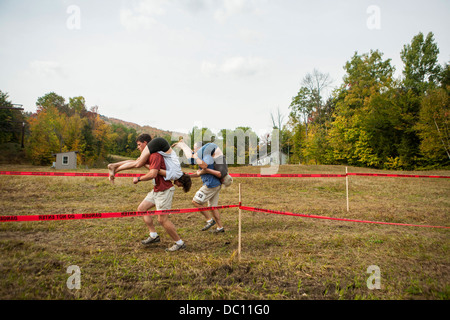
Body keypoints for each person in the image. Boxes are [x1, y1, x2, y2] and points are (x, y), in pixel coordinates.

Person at [133, 150, 186, 252]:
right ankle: (154, 236)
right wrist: (144, 163)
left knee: (162, 220)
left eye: (139, 145)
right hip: (156, 190)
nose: (138, 147)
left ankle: (180, 243)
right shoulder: (152, 155)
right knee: (141, 209)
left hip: (164, 191)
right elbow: (153, 168)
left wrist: (139, 178)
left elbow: (155, 171)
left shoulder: (157, 155)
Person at [173, 140, 230, 233]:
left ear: (200, 148)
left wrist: (194, 155)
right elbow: (199, 173)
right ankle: (220, 228)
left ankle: (209, 220)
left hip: (210, 185)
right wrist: (189, 175)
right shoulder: (205, 157)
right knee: (212, 207)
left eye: (195, 149)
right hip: (216, 185)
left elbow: (204, 166)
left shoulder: (205, 156)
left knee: (195, 202)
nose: (194, 151)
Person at [108, 134, 190, 191]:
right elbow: (157, 171)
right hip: (160, 144)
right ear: (182, 181)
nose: (178, 186)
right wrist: (145, 165)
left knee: (138, 162)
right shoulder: (175, 175)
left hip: (160, 144)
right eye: (181, 186)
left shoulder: (178, 172)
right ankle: (113, 168)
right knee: (139, 164)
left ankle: (114, 167)